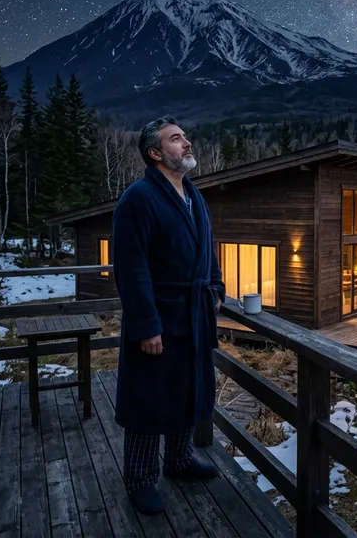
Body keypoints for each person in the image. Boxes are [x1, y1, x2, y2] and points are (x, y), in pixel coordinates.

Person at [112, 115, 225, 515]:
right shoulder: (138, 199)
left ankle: (179, 460)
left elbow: (209, 250)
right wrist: (145, 324)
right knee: (150, 396)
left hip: (193, 315)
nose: (187, 143)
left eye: (185, 136)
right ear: (155, 153)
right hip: (159, 318)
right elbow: (131, 267)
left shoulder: (193, 195)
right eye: (176, 139)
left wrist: (215, 289)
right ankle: (140, 479)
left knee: (187, 389)